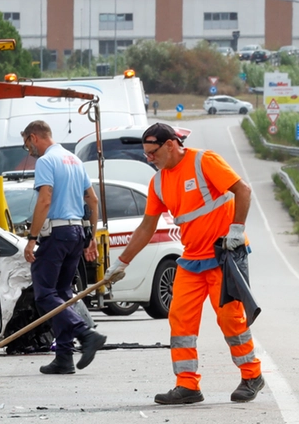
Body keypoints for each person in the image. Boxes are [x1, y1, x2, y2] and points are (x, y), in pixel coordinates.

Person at [109, 123, 263, 405]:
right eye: (145, 154)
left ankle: (252, 375)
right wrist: (121, 262)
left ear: (170, 145)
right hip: (192, 259)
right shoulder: (158, 183)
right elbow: (146, 227)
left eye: (152, 152)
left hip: (223, 256)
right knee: (180, 321)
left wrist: (237, 229)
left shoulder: (204, 161)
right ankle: (187, 385)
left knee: (230, 319)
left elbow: (243, 190)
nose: (149, 159)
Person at [20, 120, 108, 375]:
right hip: (76, 233)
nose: (29, 151)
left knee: (45, 293)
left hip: (57, 233)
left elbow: (45, 199)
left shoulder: (46, 161)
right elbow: (91, 199)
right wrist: (91, 234)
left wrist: (32, 237)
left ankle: (85, 333)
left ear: (34, 137)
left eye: (27, 144)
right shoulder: (73, 160)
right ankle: (64, 356)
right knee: (63, 293)